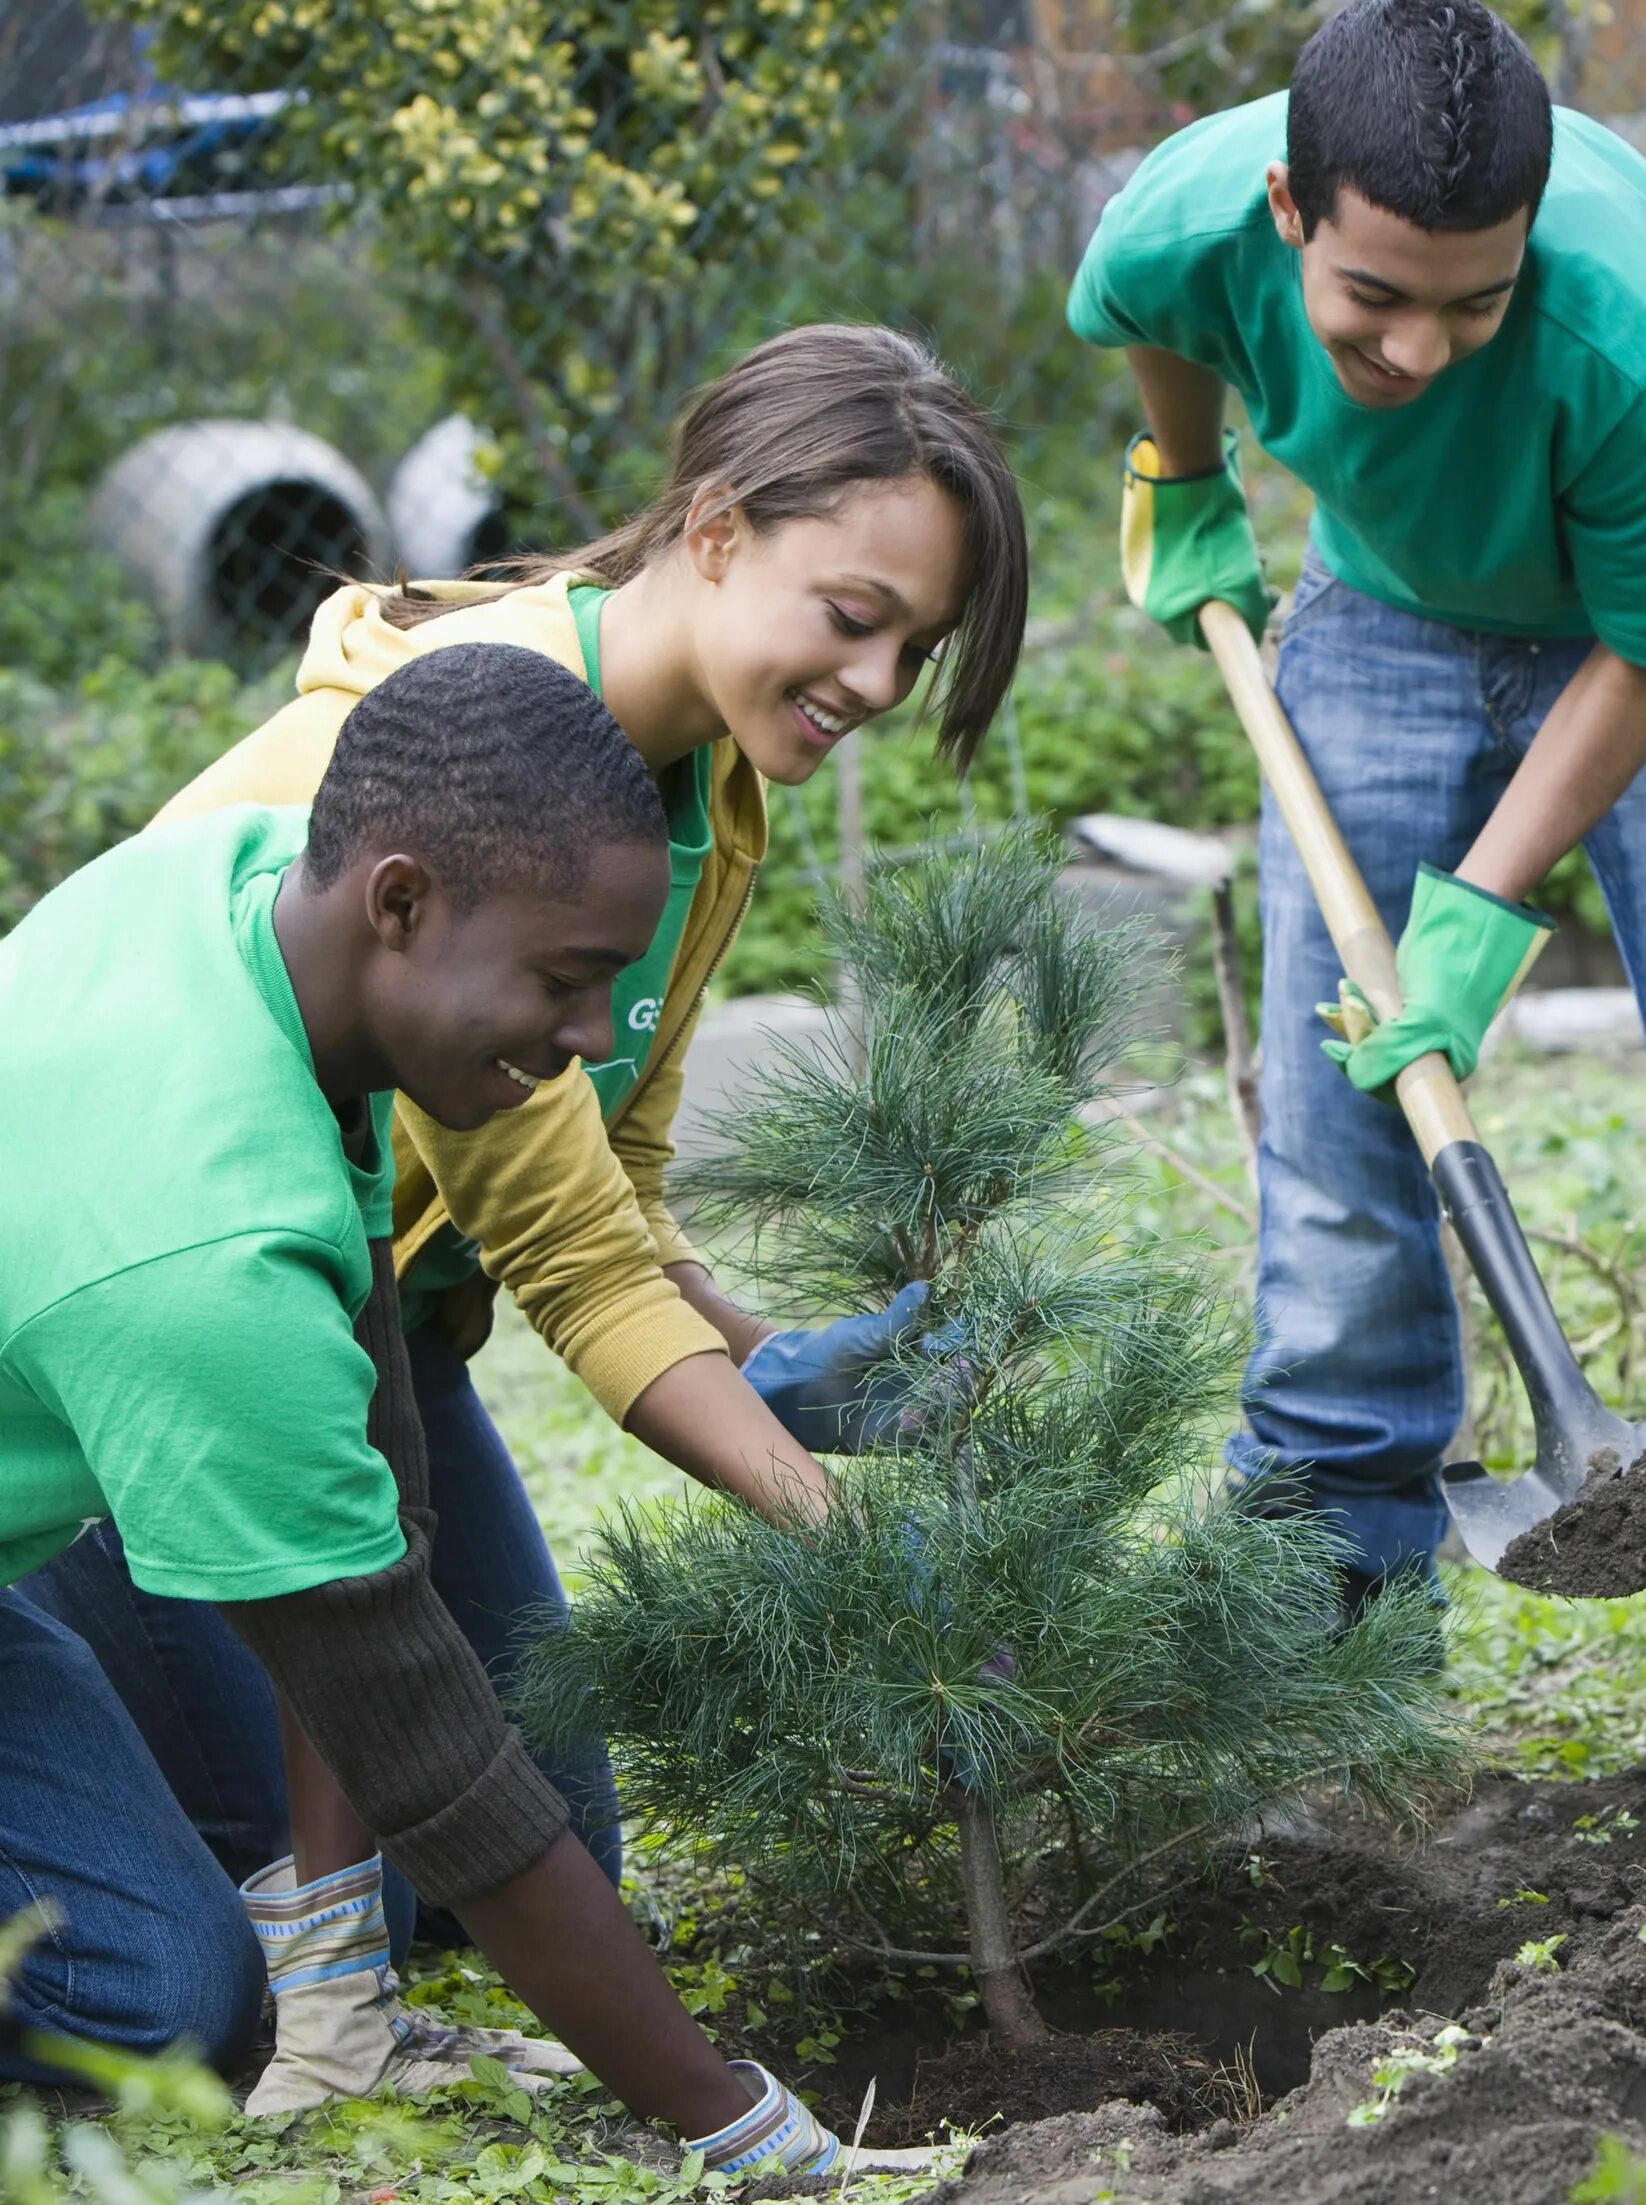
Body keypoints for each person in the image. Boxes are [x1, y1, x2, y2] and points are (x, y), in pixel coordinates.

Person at [19, 322, 1028, 2062]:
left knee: (546, 1834)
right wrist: (841, 1529)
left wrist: (759, 1345)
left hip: (378, 1350)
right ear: (714, 528)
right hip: (161, 1357)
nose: (875, 681)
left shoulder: (703, 785)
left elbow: (609, 1176)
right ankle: (119, 1725)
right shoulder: (459, 781)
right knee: (320, 1905)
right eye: (854, 616)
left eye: (914, 649)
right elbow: (573, 1261)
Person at [1068, 0, 1646, 1758]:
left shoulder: (1618, 326)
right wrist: (1184, 477)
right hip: (1387, 593)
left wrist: (1482, 908)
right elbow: (1153, 318)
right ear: (1286, 210)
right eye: (1374, 302)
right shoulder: (1179, 217)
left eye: (1475, 303)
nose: (1424, 348)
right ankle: (1337, 1556)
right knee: (1341, 1095)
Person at [0, 644, 920, 2175]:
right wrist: (743, 2125)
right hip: (114, 1361)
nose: (585, 1039)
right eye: (563, 981)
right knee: (168, 2005)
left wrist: (336, 1940)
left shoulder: (239, 901)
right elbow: (425, 1746)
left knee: (267, 1930)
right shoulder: (203, 1256)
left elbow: (372, 1444)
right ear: (404, 901)